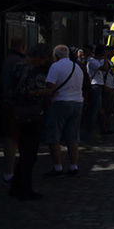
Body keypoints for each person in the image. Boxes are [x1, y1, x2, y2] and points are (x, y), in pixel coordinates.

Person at [7, 44, 51, 201]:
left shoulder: (17, 68)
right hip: (29, 113)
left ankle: (17, 185)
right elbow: (26, 91)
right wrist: (42, 92)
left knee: (26, 153)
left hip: (19, 112)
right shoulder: (28, 70)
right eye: (43, 59)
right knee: (29, 154)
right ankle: (24, 188)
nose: (44, 62)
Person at [44, 45, 84, 176]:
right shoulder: (77, 67)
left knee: (54, 136)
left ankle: (58, 167)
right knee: (72, 137)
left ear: (55, 56)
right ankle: (73, 166)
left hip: (61, 101)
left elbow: (50, 85)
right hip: (77, 102)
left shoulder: (55, 66)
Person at [0, 37, 27, 184]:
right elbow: (21, 85)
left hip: (9, 101)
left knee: (11, 138)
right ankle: (10, 171)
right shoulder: (18, 62)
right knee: (14, 138)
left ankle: (9, 170)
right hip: (16, 104)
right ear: (22, 47)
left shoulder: (8, 60)